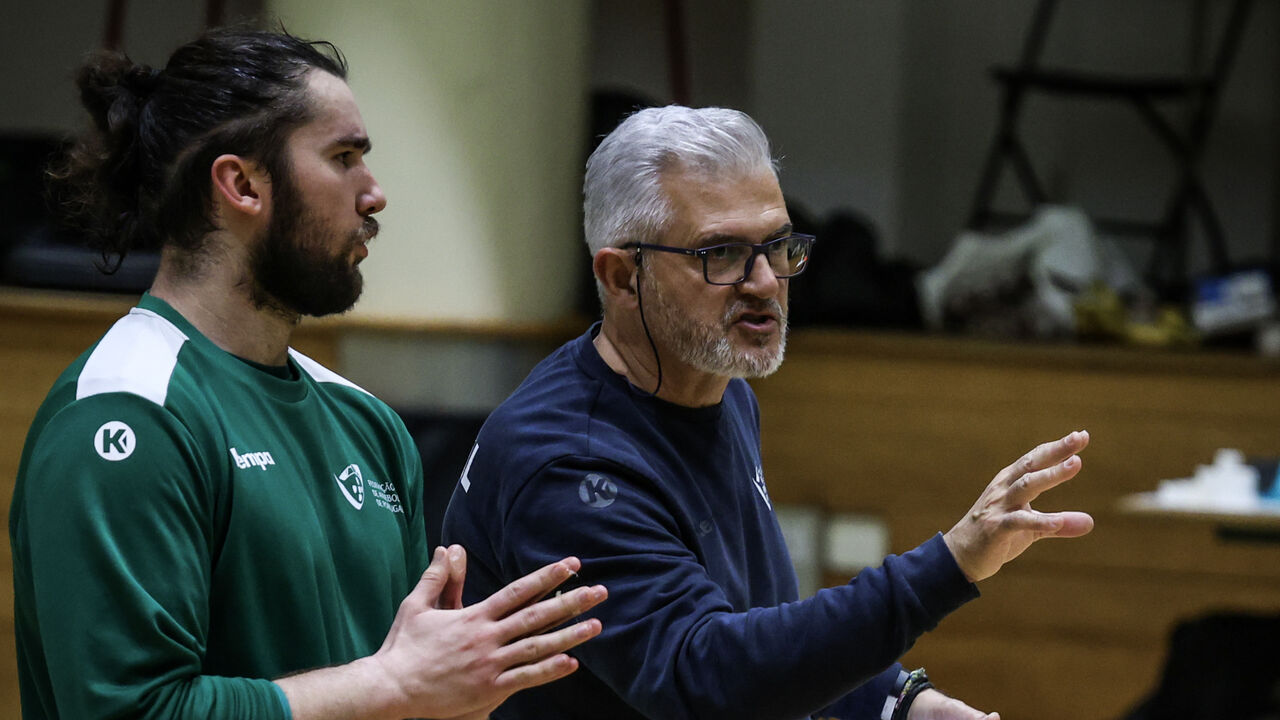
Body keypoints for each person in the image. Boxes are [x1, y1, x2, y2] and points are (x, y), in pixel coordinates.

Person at [8, 28, 607, 720]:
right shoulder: (128, 411)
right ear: (242, 184)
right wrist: (395, 687)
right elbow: (133, 712)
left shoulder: (367, 423)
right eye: (344, 157)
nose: (375, 194)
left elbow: (400, 688)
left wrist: (451, 695)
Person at [441, 105, 1094, 720]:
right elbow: (708, 683)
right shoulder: (568, 461)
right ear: (620, 278)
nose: (763, 283)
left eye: (779, 248)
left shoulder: (720, 392)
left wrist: (894, 703)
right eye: (720, 254)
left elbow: (755, 624)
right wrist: (950, 563)